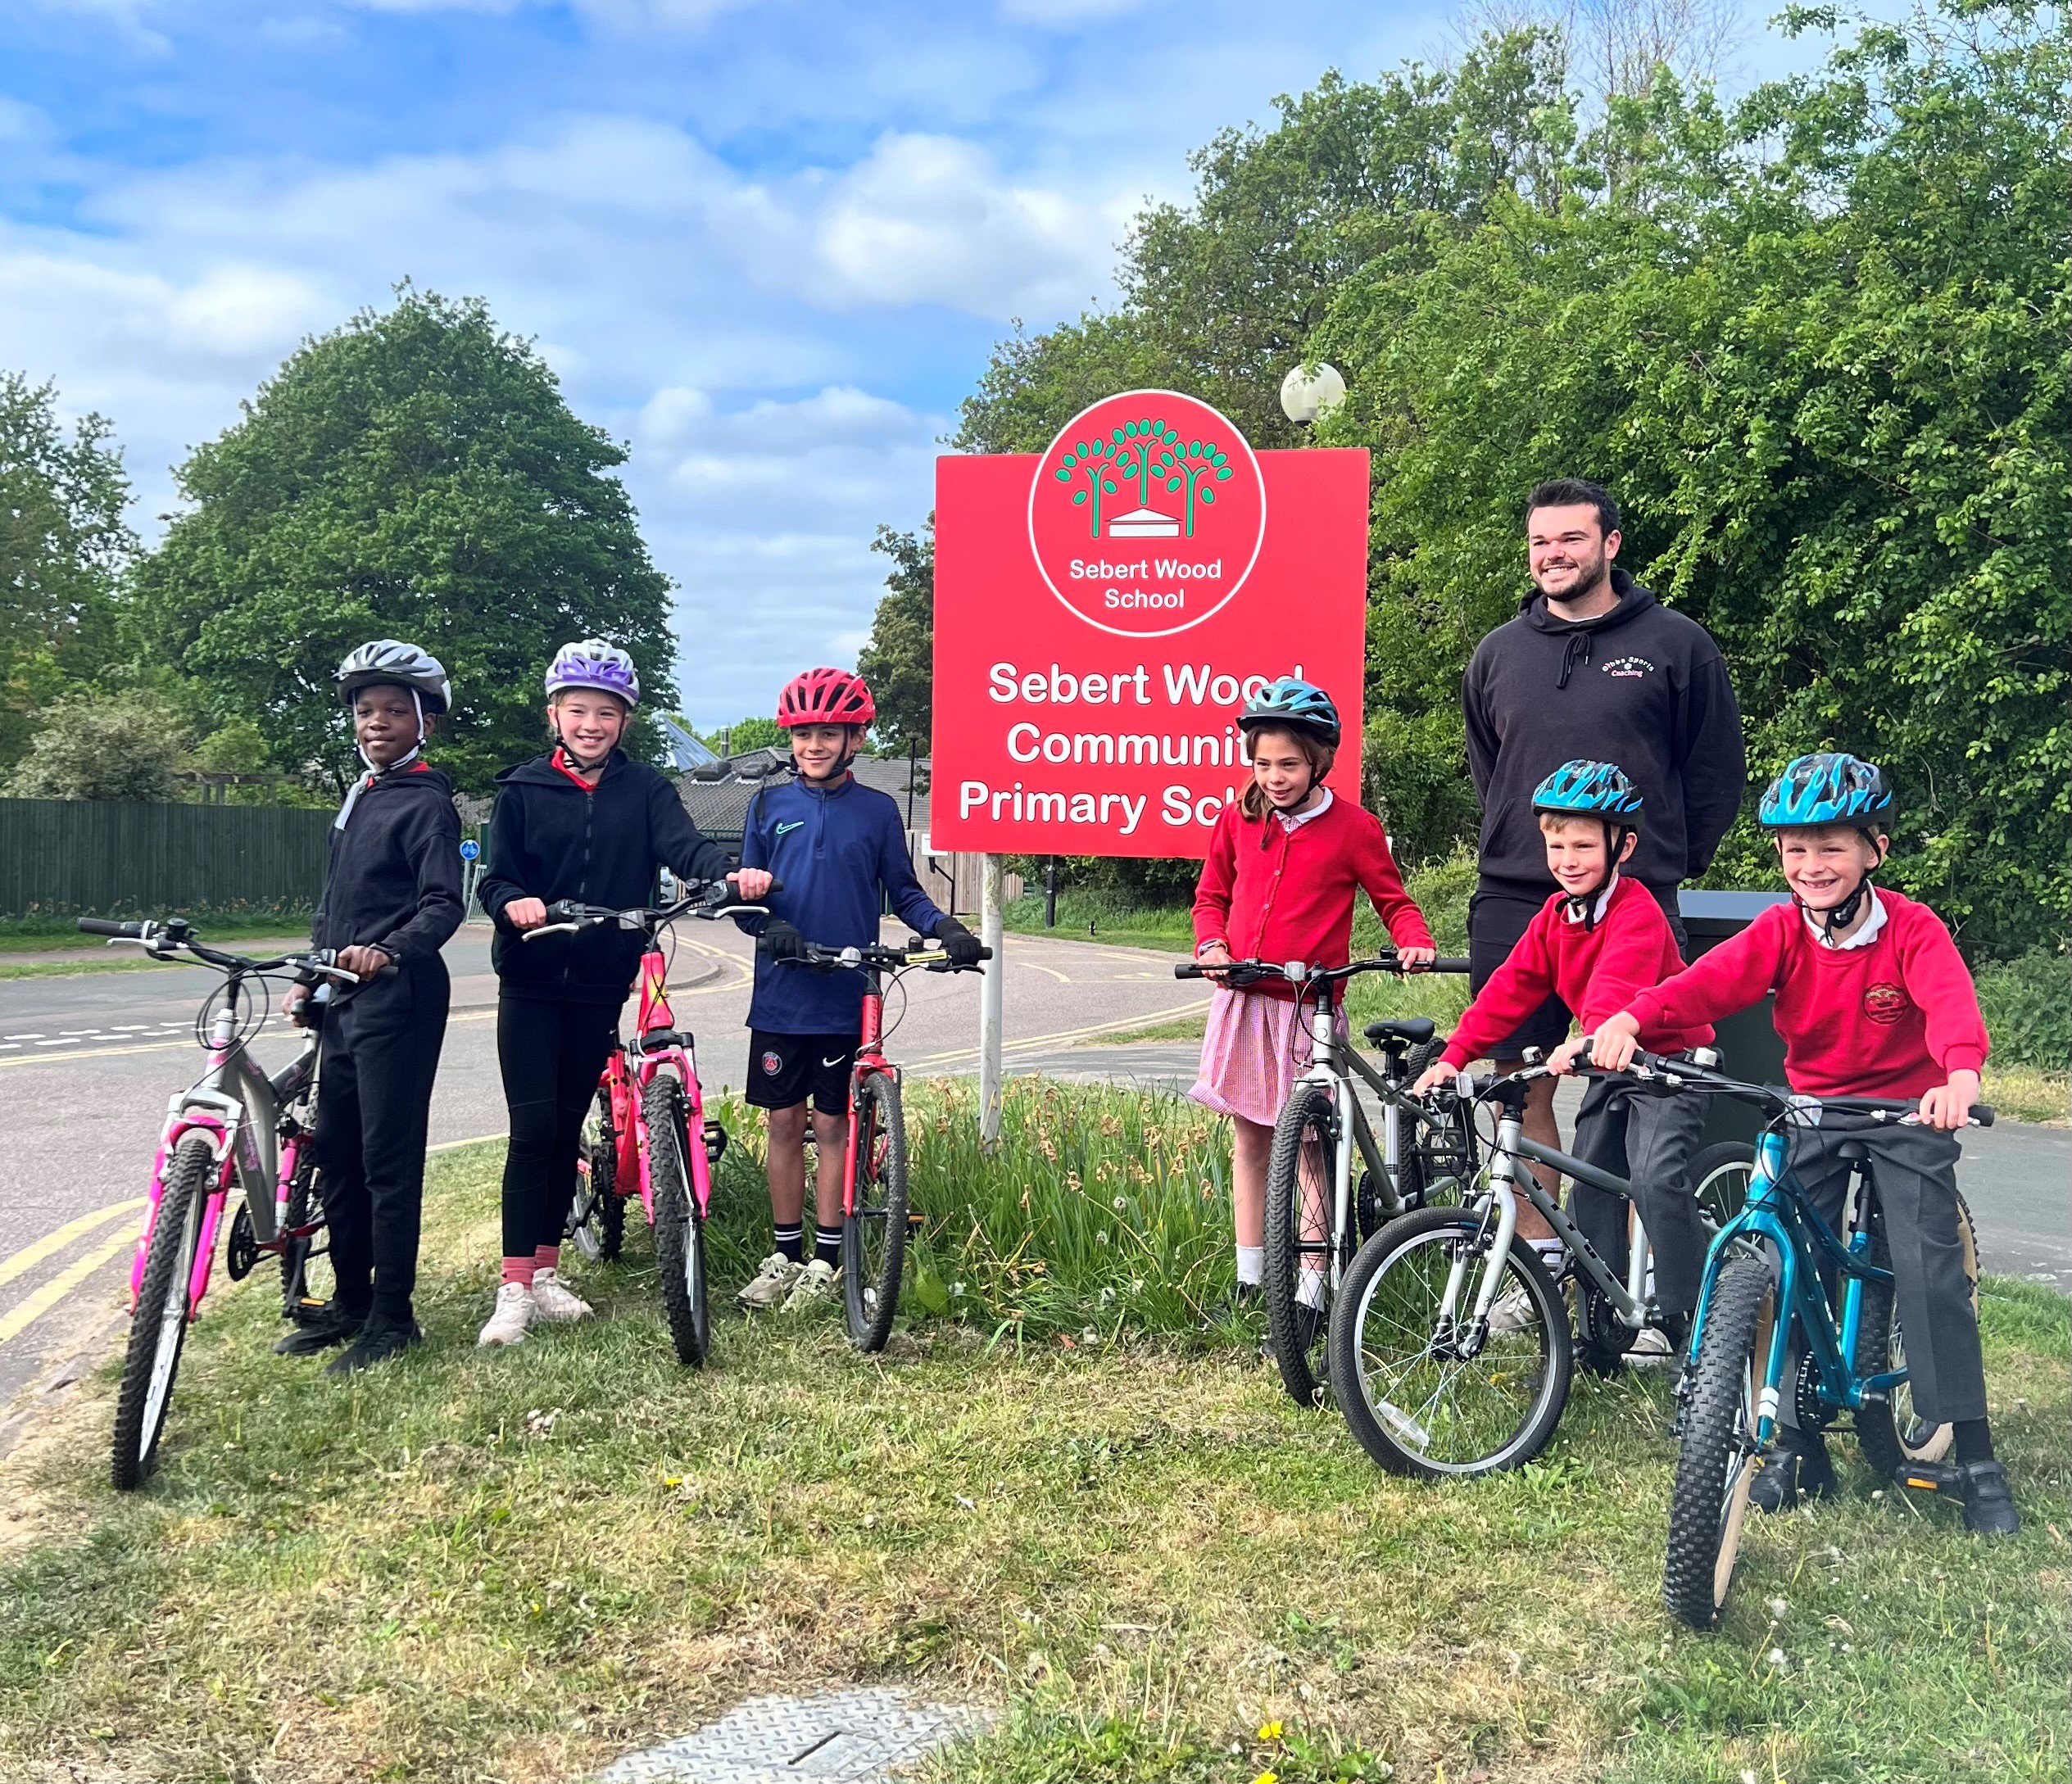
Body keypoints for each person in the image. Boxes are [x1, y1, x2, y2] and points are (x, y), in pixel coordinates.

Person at [1587, 753, 2015, 1535]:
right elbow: (1707, 982)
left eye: (1830, 846)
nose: (1811, 865)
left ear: (1872, 851)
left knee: (1926, 1265)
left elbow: (1950, 1006)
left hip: (1905, 1112)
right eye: (1794, 849)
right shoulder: (1781, 928)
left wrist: (1958, 1076)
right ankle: (1794, 1441)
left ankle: (1976, 1455)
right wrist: (1631, 1018)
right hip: (1814, 1105)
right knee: (1786, 1266)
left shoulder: (1910, 929)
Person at [1461, 478, 1743, 1235]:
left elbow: (1714, 772)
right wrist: (1528, 847)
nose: (1553, 555)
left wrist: (1666, 866)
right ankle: (1542, 1266)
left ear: (1610, 545)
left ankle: (1630, 1278)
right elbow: (1494, 773)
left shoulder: (1675, 644)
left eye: (1571, 539)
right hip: (1515, 899)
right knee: (1516, 1082)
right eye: (1539, 542)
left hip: (1634, 901)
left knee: (1627, 1084)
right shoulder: (1496, 655)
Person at [473, 641, 772, 1349]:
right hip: (533, 976)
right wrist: (516, 903)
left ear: (624, 722)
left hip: (603, 974)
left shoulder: (646, 791)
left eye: (606, 713)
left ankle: (546, 1274)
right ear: (555, 714)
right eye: (578, 710)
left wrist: (729, 876)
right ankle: (515, 1287)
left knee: (567, 1122)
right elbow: (495, 878)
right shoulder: (521, 790)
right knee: (533, 1131)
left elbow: (685, 848)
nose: (591, 724)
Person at [1410, 761, 1713, 1344]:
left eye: (1581, 844)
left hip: (1668, 1066)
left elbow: (1615, 985)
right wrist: (1456, 1054)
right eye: (1555, 844)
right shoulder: (1554, 917)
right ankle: (1603, 1314)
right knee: (1593, 1181)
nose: (1567, 859)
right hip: (1610, 1063)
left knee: (1650, 1175)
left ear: (1622, 846)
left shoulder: (1637, 911)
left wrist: (1590, 1037)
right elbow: (1508, 989)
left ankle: (1673, 1310)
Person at [1190, 677, 1437, 1329]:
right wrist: (1212, 944)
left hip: (1309, 1009)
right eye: (1263, 763)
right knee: (1251, 1142)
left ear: (1319, 762)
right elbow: (1209, 897)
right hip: (1244, 1002)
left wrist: (1412, 941)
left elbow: (1394, 900)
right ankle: (1250, 1279)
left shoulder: (1353, 828)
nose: (1274, 777)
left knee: (1308, 1146)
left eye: (1289, 765)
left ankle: (1311, 1286)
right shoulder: (1237, 819)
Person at [733, 667, 982, 1314]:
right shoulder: (767, 806)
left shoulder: (875, 811)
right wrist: (772, 928)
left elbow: (901, 891)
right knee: (783, 1124)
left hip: (847, 992)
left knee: (834, 1123)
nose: (814, 744)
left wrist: (946, 926)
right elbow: (744, 894)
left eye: (828, 733)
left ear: (854, 738)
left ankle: (826, 1254)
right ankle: (783, 1254)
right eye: (803, 733)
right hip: (782, 991)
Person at [278, 641, 464, 1374]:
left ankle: (393, 1317)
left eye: (393, 710)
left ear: (425, 722)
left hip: (398, 997)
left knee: (388, 1161)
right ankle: (350, 1300)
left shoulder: (426, 803)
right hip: (341, 999)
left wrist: (388, 952)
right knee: (339, 1156)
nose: (375, 722)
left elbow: (443, 904)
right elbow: (336, 906)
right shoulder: (360, 795)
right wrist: (309, 976)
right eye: (365, 710)